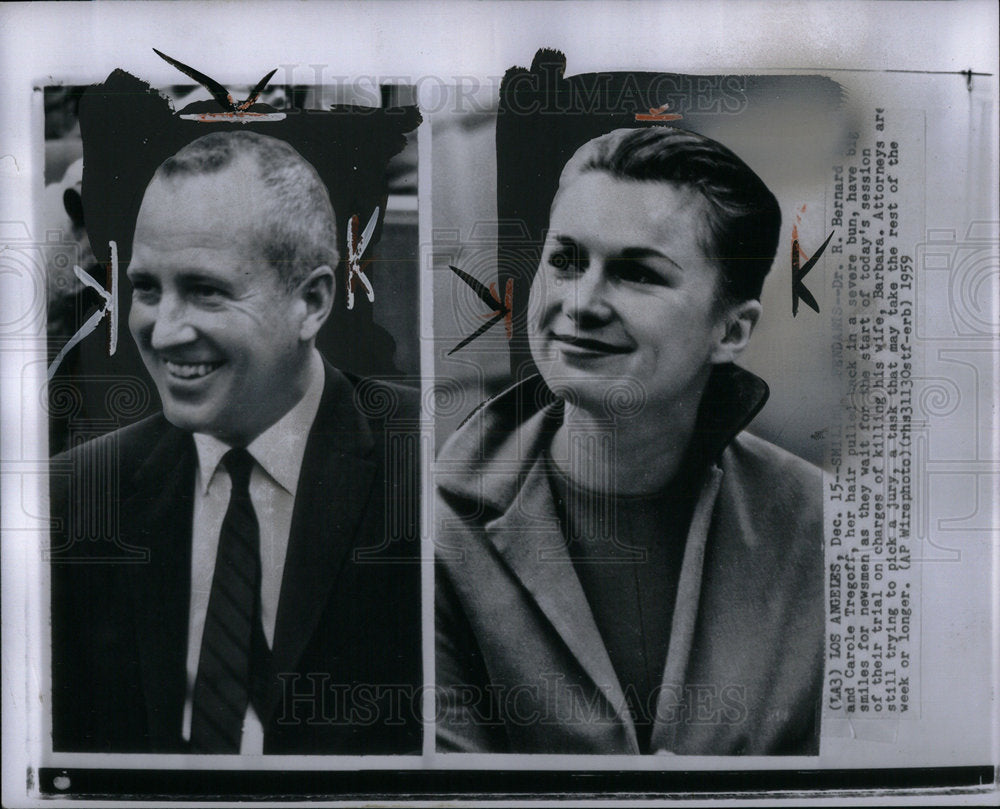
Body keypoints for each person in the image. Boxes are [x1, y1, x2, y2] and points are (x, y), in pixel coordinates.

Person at [435, 127, 823, 755]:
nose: (582, 303)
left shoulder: (822, 528)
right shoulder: (431, 528)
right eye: (565, 260)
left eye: (637, 273)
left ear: (731, 330)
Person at [50, 130, 422, 754]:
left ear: (312, 301)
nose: (162, 332)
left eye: (206, 290)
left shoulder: (427, 471)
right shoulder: (74, 498)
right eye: (145, 289)